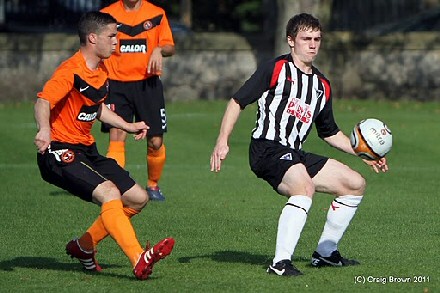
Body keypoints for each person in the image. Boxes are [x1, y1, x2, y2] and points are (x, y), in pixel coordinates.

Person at [210, 13, 389, 276]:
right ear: (291, 41)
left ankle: (326, 254)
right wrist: (222, 141)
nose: (313, 44)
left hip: (294, 153)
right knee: (303, 187)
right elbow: (238, 101)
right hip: (267, 148)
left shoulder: (322, 85)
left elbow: (329, 132)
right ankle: (280, 263)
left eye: (317, 39)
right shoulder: (276, 69)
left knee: (354, 184)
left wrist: (364, 152)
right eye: (306, 39)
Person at [34, 11, 174, 280]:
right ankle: (138, 258)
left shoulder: (100, 70)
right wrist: (43, 129)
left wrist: (127, 125)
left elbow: (96, 107)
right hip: (58, 150)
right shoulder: (70, 71)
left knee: (138, 198)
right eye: (111, 36)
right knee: (110, 193)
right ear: (92, 38)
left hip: (86, 150)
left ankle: (84, 246)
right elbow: (43, 101)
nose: (116, 42)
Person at [100, 0, 176, 201]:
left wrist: (159, 50)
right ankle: (114, 188)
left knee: (156, 141)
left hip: (147, 84)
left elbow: (169, 46)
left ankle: (153, 185)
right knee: (117, 136)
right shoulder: (107, 14)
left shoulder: (156, 13)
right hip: (116, 83)